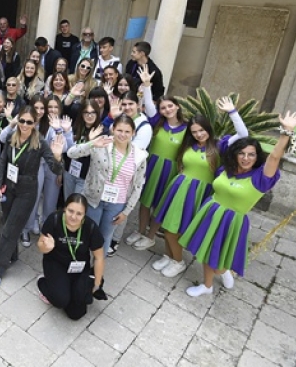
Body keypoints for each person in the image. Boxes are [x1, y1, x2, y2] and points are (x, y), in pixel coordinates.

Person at [181, 111, 296, 296]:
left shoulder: (261, 178)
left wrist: (286, 133)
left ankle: (223, 271)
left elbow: (274, 157)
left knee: (218, 261)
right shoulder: (225, 169)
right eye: (242, 154)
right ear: (235, 154)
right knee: (204, 252)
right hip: (211, 212)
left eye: (251, 155)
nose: (246, 158)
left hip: (231, 221)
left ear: (257, 157)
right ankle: (207, 286)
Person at [150, 111, 247, 278]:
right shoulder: (189, 144)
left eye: (201, 130)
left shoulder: (219, 146)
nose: (198, 134)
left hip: (197, 193)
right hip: (178, 187)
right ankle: (169, 256)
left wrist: (232, 112)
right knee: (167, 226)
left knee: (176, 229)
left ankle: (178, 261)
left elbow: (243, 134)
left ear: (208, 129)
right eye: (194, 131)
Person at [0, 106, 65, 287]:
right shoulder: (10, 138)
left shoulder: (40, 143)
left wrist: (58, 156)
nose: (24, 124)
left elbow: (56, 169)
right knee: (8, 223)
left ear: (35, 123)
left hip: (27, 190)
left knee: (9, 229)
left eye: (29, 122)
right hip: (9, 185)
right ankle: (12, 255)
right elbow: (2, 163)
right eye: (22, 120)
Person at [125, 66, 189, 252]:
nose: (167, 109)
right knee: (144, 200)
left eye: (170, 105)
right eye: (163, 107)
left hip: (171, 170)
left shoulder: (187, 128)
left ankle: (151, 236)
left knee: (160, 204)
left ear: (177, 106)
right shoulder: (157, 123)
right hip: (152, 165)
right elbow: (150, 107)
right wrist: (146, 86)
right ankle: (140, 230)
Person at [66, 114, 148, 257]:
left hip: (116, 204)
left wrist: (127, 211)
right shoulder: (102, 144)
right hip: (94, 199)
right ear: (113, 129)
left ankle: (96, 268)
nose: (123, 135)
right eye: (119, 130)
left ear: (133, 133)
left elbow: (138, 185)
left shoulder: (139, 156)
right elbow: (71, 153)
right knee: (87, 233)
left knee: (104, 237)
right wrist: (91, 143)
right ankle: (80, 263)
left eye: (127, 131)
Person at [36, 194, 105, 320]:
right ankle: (43, 282)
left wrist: (97, 284)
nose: (73, 217)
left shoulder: (90, 227)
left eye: (79, 214)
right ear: (64, 209)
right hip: (56, 263)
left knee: (76, 314)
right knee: (60, 301)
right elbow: (40, 244)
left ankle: (72, 289)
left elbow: (99, 257)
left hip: (79, 267)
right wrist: (47, 247)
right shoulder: (54, 219)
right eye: (70, 211)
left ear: (84, 214)